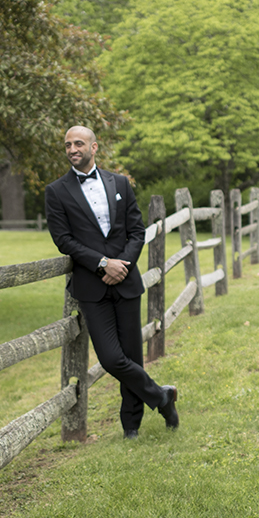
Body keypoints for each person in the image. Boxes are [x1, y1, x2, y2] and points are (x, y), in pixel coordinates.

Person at [44, 125, 178, 439]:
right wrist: (103, 263)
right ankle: (161, 396)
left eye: (78, 143)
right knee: (110, 357)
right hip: (92, 286)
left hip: (126, 281)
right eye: (67, 145)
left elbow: (136, 230)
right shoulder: (56, 191)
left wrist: (123, 264)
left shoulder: (119, 183)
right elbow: (63, 240)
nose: (72, 149)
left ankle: (131, 427)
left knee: (131, 355)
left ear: (94, 147)